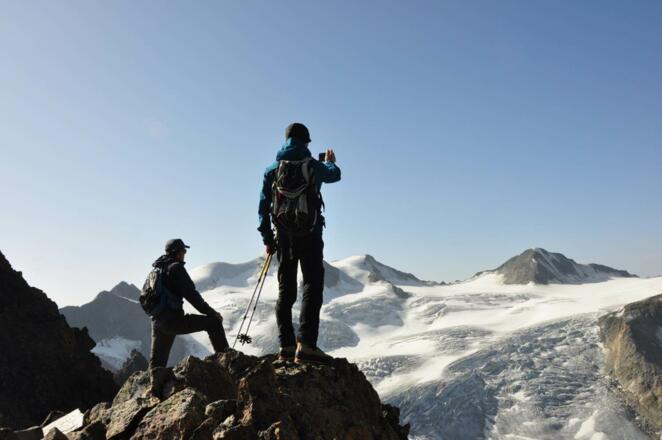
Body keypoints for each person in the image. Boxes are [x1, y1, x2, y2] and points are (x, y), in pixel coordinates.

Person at [258, 122, 341, 364]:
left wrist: (267, 239)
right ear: (306, 142)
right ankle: (305, 346)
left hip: (283, 237)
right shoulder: (313, 166)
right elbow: (335, 175)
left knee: (286, 291)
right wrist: (331, 161)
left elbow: (263, 208)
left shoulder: (272, 169)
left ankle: (285, 346)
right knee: (312, 286)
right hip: (311, 234)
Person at [149, 238, 228, 369]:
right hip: (173, 321)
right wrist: (212, 313)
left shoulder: (156, 270)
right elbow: (192, 296)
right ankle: (226, 363)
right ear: (177, 252)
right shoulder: (176, 268)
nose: (185, 253)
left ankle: (154, 388)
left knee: (157, 365)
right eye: (183, 250)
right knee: (214, 323)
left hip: (158, 322)